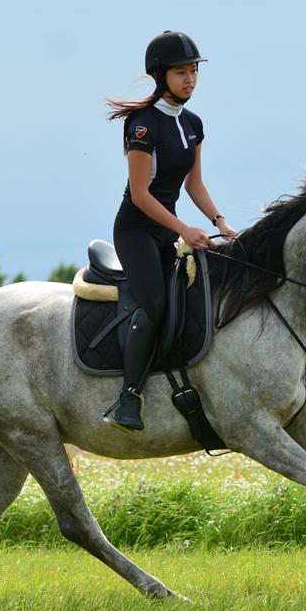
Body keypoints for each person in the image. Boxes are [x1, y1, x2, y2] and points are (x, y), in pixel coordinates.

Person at [102, 30, 237, 432]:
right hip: (136, 230)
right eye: (182, 72)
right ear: (161, 76)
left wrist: (220, 224)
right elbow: (141, 195)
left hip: (168, 230)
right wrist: (184, 230)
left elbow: (194, 185)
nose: (190, 79)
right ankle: (128, 396)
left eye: (194, 71)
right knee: (156, 304)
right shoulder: (142, 126)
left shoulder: (193, 124)